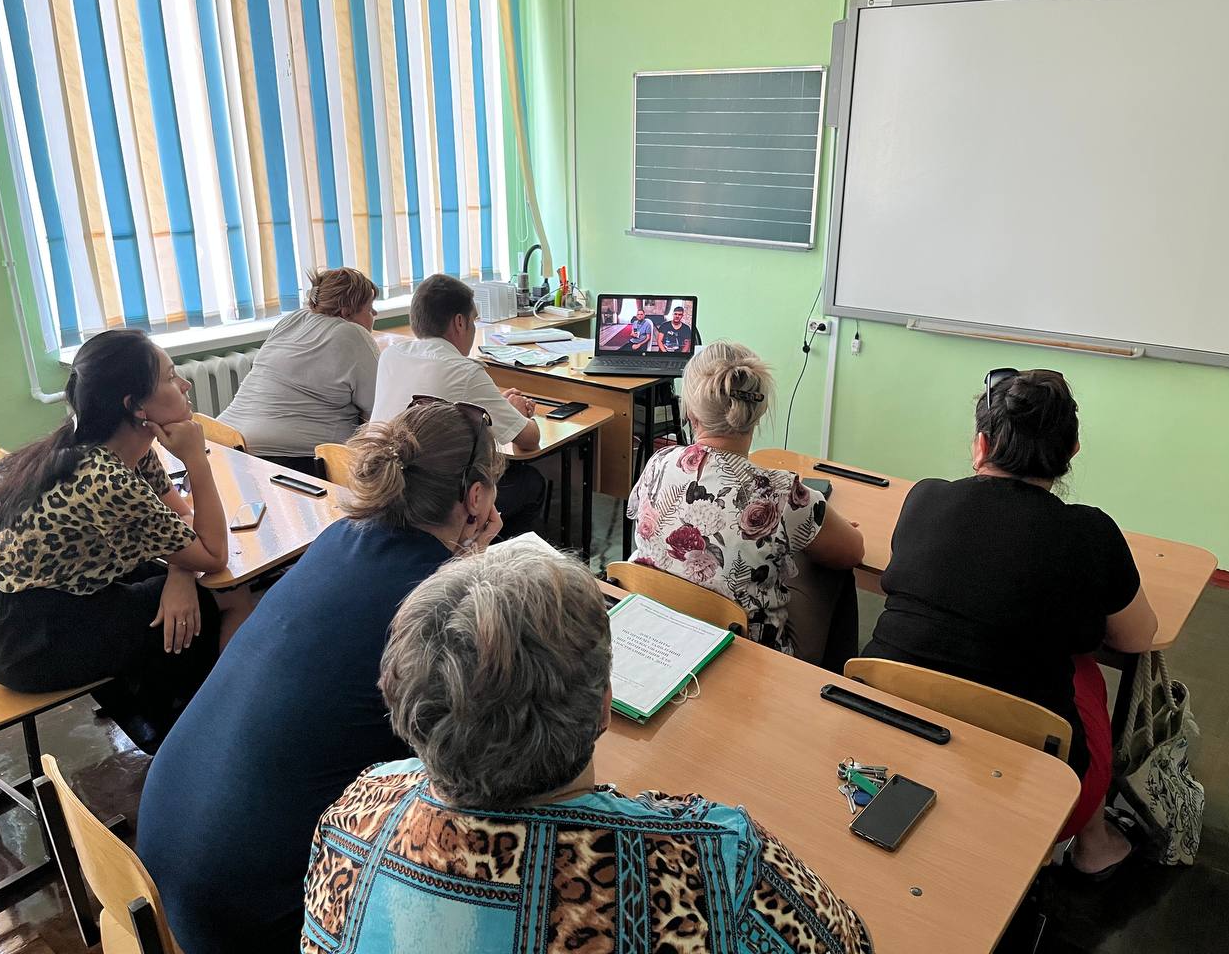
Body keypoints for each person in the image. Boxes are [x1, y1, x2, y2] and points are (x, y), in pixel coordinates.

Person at [301, 546, 873, 954]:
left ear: (409, 703)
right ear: (604, 708)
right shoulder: (715, 863)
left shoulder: (355, 813)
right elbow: (849, 942)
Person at [138, 399, 504, 952]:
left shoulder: (338, 535)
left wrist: (462, 561)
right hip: (247, 914)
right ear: (475, 499)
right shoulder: (441, 608)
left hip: (163, 845)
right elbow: (468, 757)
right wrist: (469, 568)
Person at [864, 368, 1159, 878]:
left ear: (981, 445)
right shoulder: (1091, 534)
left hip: (878, 737)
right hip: (1034, 780)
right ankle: (1095, 846)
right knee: (1083, 671)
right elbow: (1136, 637)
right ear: (1071, 452)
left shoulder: (925, 497)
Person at [0, 330, 251, 752]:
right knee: (231, 595)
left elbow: (181, 520)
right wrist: (195, 458)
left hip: (33, 603)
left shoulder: (110, 444)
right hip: (29, 639)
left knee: (182, 585)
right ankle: (211, 732)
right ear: (135, 406)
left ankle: (158, 708)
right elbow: (213, 554)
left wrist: (180, 573)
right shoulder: (105, 479)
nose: (185, 384)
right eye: (170, 377)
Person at [628, 341, 865, 668]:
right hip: (744, 653)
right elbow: (853, 552)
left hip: (656, 627)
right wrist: (820, 527)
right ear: (759, 411)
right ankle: (828, 682)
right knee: (828, 566)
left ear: (690, 412)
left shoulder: (659, 461)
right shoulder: (783, 493)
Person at [372, 272, 545, 537]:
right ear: (460, 322)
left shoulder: (391, 356)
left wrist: (495, 406)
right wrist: (516, 413)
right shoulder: (465, 371)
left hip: (383, 492)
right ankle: (483, 554)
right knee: (530, 482)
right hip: (432, 507)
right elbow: (529, 440)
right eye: (473, 320)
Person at [218, 267, 380, 475]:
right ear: (346, 312)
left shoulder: (292, 319)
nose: (375, 314)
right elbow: (379, 407)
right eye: (369, 308)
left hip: (225, 442)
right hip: (284, 461)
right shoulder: (351, 333)